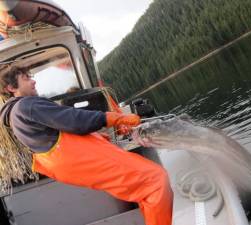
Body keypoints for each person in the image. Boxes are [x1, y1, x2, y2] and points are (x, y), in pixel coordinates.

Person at [0, 66, 173, 225]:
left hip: (65, 164)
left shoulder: (15, 115)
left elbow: (53, 133)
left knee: (143, 190)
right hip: (76, 159)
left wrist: (93, 136)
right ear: (11, 88)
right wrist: (112, 118)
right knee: (154, 180)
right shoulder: (25, 106)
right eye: (25, 78)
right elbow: (73, 119)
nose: (33, 80)